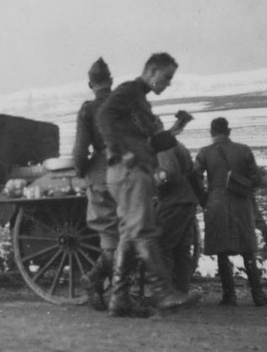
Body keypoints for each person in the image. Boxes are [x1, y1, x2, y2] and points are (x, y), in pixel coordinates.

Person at [96, 52, 200, 317]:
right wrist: (121, 151)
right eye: (166, 77)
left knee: (130, 235)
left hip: (130, 172)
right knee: (143, 230)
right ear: (152, 71)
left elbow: (151, 143)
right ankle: (162, 293)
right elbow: (103, 115)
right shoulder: (130, 90)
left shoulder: (140, 101)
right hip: (129, 171)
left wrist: (176, 129)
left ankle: (118, 298)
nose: (168, 84)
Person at [194, 117, 267, 307]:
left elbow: (195, 178)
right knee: (248, 250)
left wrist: (205, 199)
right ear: (229, 131)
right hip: (241, 203)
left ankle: (229, 296)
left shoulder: (204, 152)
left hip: (216, 204)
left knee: (222, 252)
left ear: (211, 132)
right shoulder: (243, 150)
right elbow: (256, 179)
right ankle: (258, 295)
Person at [72, 57, 119, 311]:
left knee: (110, 238)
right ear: (111, 81)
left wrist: (82, 171)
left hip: (101, 175)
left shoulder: (88, 109)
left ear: (90, 84)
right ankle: (114, 291)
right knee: (129, 236)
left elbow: (80, 151)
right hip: (131, 172)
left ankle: (94, 281)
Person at [154, 110, 205, 294]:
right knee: (182, 250)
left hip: (173, 202)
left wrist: (152, 182)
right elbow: (191, 171)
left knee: (163, 246)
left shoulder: (163, 147)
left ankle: (166, 294)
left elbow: (167, 173)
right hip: (188, 201)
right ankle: (182, 291)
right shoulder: (179, 145)